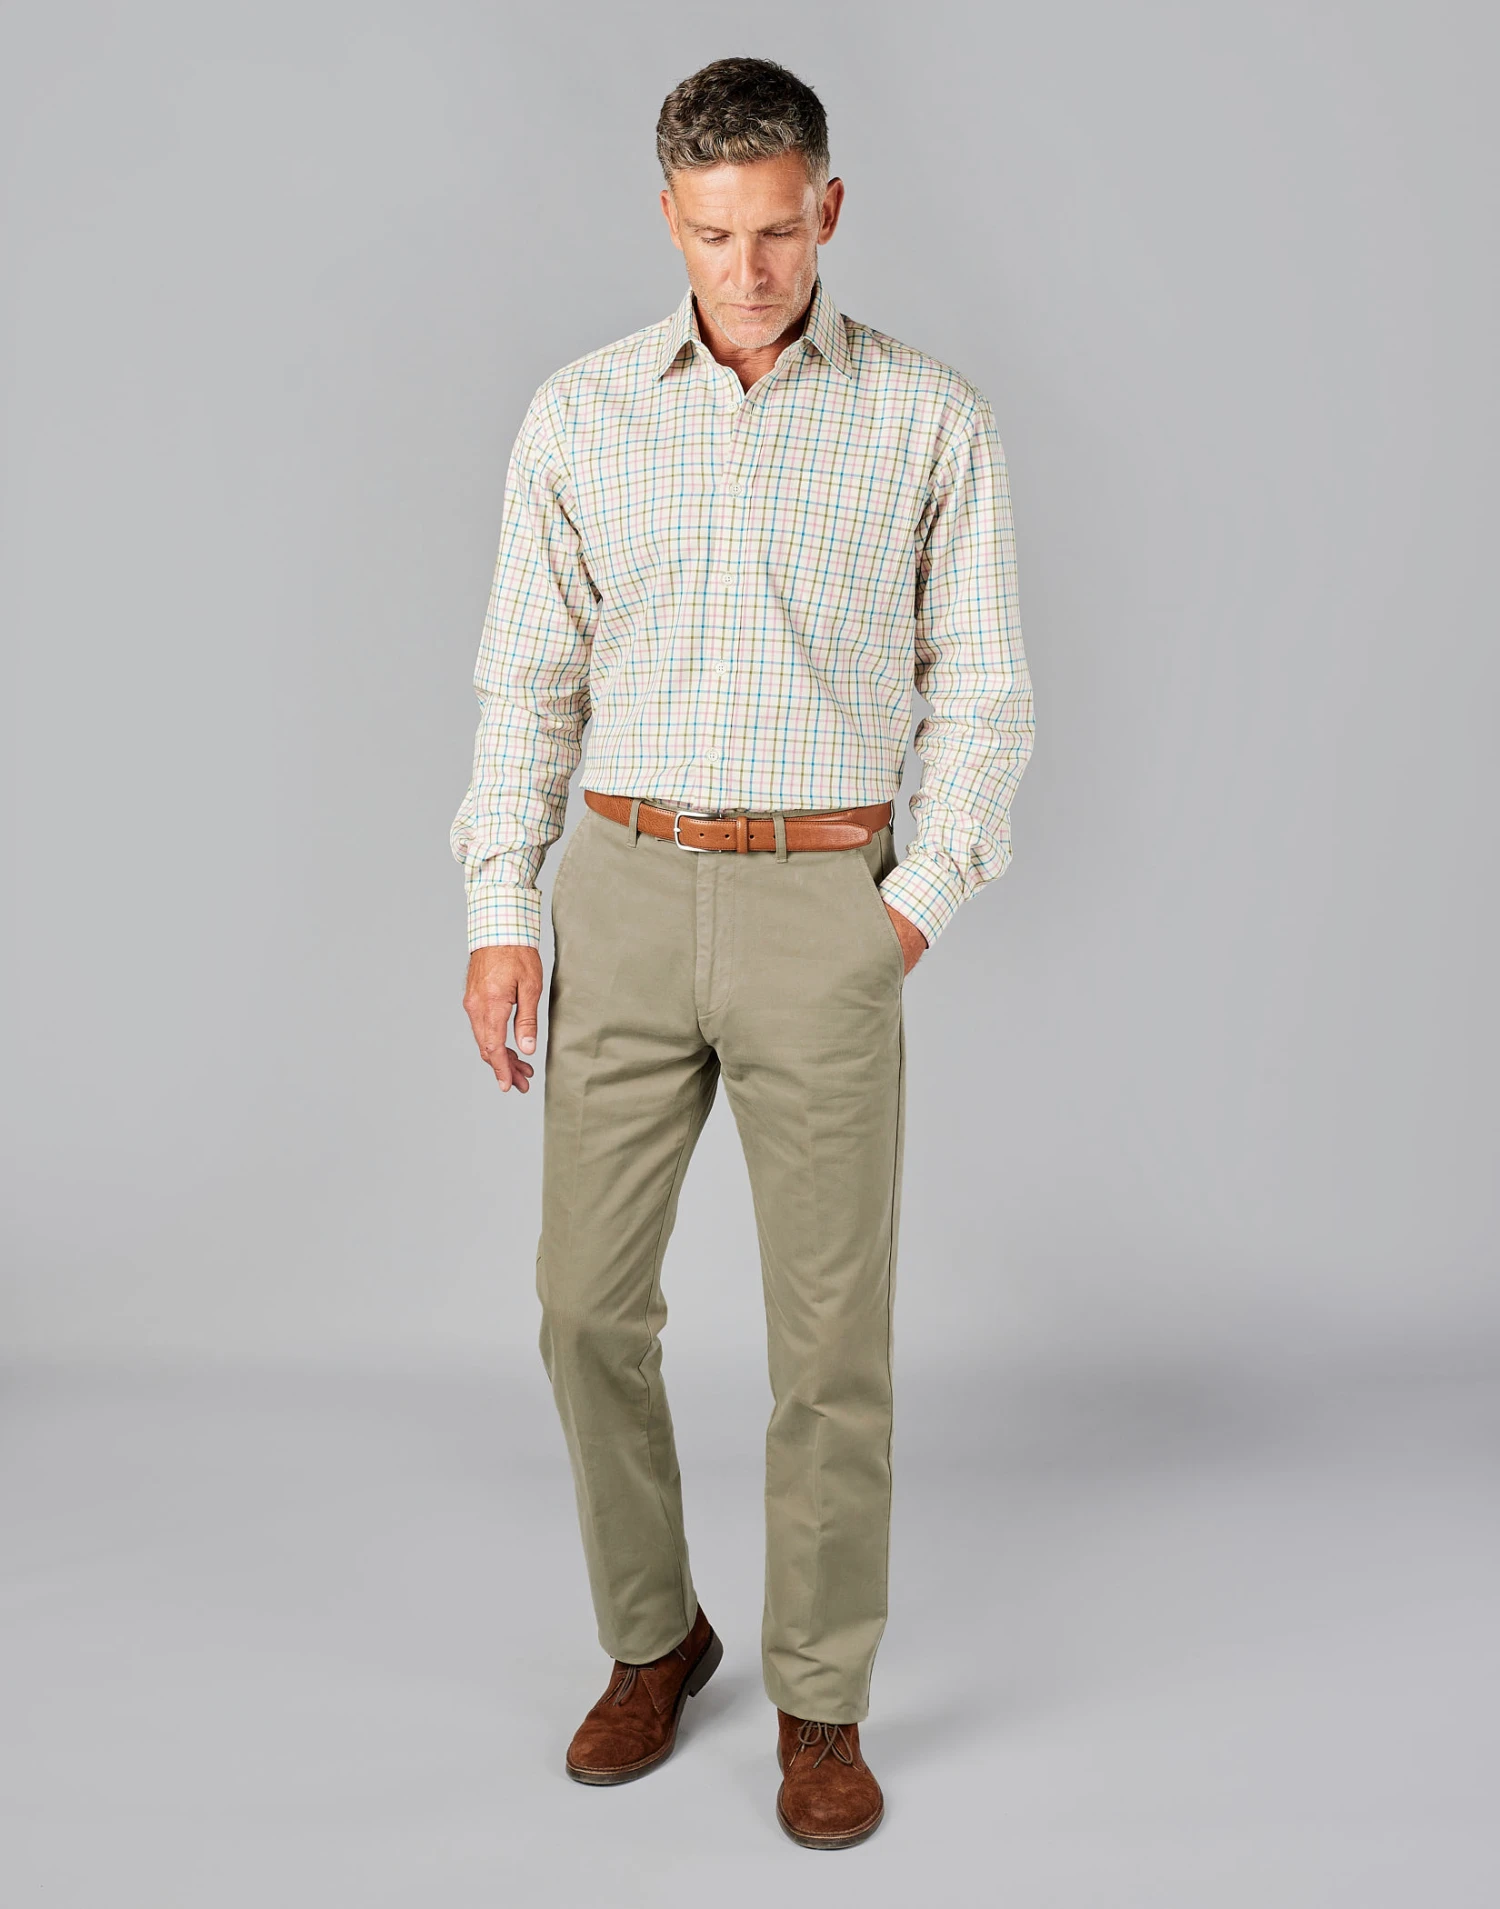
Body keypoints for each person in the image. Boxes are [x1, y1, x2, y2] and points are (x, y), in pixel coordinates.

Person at [451, 56, 1033, 1849]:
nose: (751, 267)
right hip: (623, 893)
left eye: (779, 229)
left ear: (828, 210)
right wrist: (501, 911)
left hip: (820, 906)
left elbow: (986, 697)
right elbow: (524, 686)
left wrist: (904, 912)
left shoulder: (929, 417)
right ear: (669, 221)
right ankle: (656, 1639)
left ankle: (821, 1702)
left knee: (831, 1347)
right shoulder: (580, 415)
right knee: (581, 1310)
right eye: (716, 235)